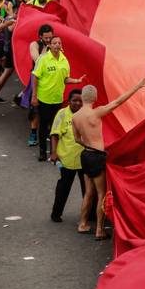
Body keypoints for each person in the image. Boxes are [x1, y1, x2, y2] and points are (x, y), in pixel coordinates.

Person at [72, 79, 145, 240]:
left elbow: (76, 139)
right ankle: (99, 229)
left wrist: (87, 144)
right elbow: (119, 101)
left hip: (85, 155)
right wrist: (137, 86)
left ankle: (83, 224)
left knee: (88, 192)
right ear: (94, 98)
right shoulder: (96, 112)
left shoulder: (75, 117)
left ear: (83, 97)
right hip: (97, 155)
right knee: (101, 193)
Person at [31, 35, 84, 163]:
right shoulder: (43, 59)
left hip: (57, 99)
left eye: (59, 43)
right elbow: (36, 78)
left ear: (61, 45)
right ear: (49, 45)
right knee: (43, 126)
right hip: (44, 98)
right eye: (54, 43)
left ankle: (56, 152)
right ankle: (43, 152)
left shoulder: (64, 60)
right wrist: (34, 96)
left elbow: (65, 79)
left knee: (55, 127)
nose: (57, 45)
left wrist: (77, 80)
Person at [48, 89, 92, 226]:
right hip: (66, 159)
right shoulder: (62, 114)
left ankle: (89, 215)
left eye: (80, 101)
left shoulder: (87, 114)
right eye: (75, 100)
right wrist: (54, 153)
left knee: (88, 189)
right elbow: (54, 134)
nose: (78, 103)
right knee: (63, 188)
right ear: (69, 101)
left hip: (84, 159)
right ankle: (56, 213)